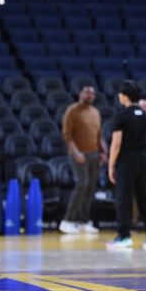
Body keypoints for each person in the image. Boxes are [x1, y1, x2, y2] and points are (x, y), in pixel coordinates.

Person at [107, 81, 146, 249]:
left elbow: (116, 144)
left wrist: (110, 165)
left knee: (124, 198)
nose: (118, 96)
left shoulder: (121, 116)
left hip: (127, 160)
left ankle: (124, 236)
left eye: (120, 94)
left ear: (125, 96)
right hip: (144, 159)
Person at [59, 85, 108, 234]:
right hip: (78, 155)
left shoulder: (95, 112)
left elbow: (99, 134)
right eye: (86, 92)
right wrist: (76, 153)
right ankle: (67, 220)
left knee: (90, 188)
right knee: (82, 184)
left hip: (94, 154)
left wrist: (104, 152)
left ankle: (84, 221)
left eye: (92, 93)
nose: (89, 95)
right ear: (81, 94)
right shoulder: (72, 110)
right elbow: (67, 135)